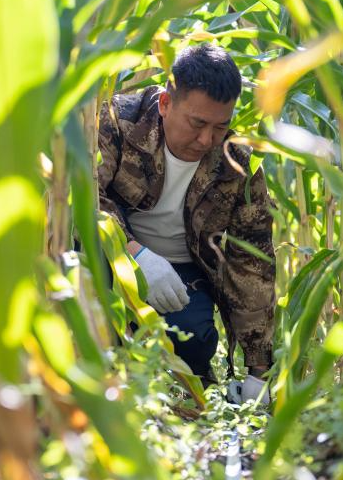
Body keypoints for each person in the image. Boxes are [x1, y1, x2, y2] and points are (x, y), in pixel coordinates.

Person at [96, 43, 274, 403]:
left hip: (183, 274)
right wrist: (135, 255)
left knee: (192, 344)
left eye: (220, 126)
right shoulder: (116, 122)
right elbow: (81, 197)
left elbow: (252, 261)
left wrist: (259, 371)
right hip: (111, 258)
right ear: (165, 104)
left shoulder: (237, 163)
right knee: (98, 324)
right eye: (197, 124)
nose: (207, 139)